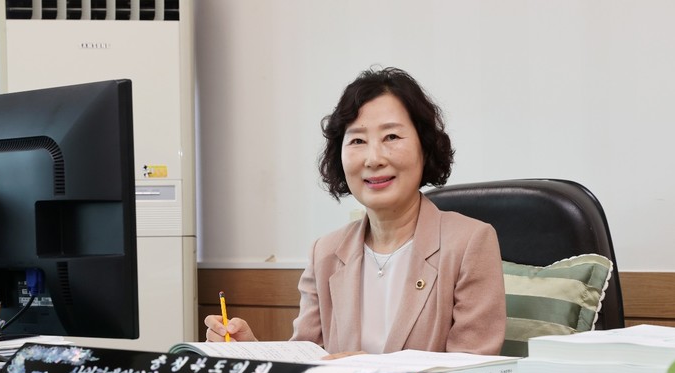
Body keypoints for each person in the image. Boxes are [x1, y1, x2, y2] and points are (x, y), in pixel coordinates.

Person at [205, 67, 506, 356]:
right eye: (358, 141)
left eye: (391, 137)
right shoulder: (325, 253)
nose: (373, 159)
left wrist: (361, 370)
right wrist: (250, 349)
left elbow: (471, 371)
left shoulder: (470, 243)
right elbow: (306, 363)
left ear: (424, 147)